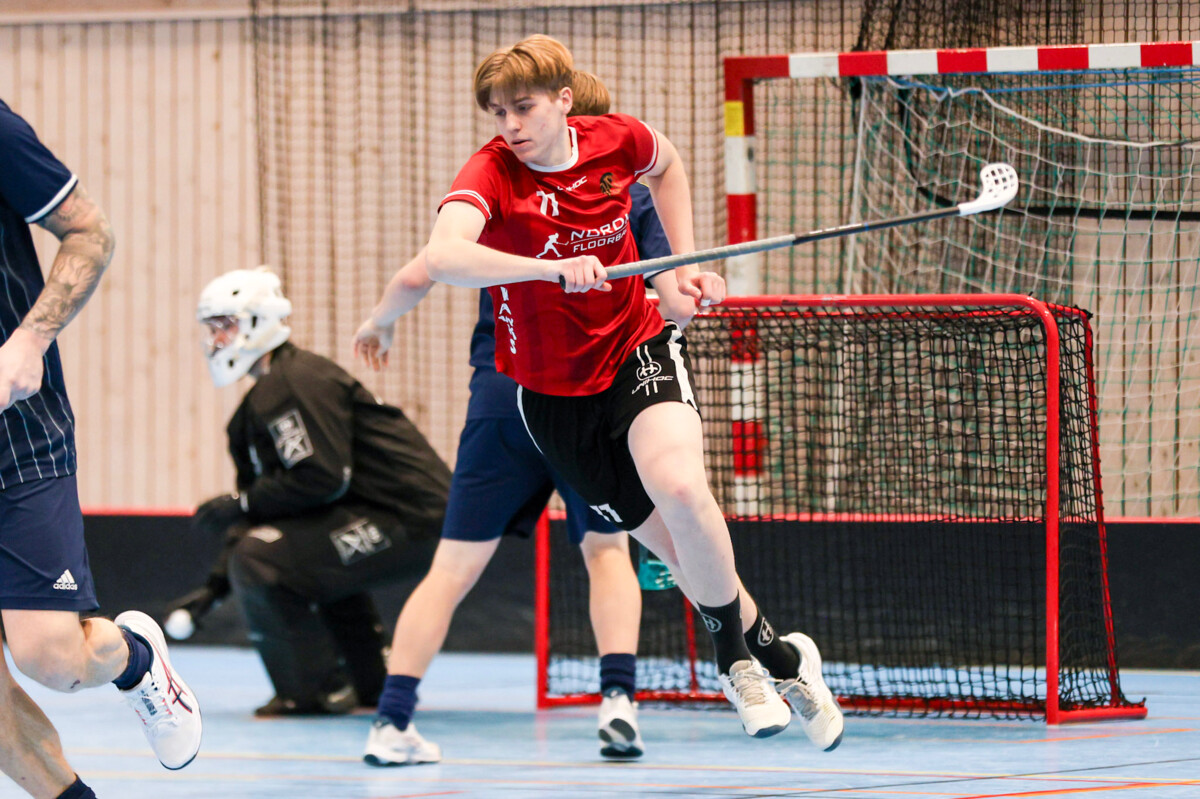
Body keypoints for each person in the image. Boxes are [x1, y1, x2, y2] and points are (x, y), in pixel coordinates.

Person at [421, 34, 845, 748]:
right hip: (552, 397)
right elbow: (441, 255)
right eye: (498, 113)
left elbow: (667, 165)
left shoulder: (615, 141)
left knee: (681, 489)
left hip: (634, 350)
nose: (511, 125)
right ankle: (784, 659)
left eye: (524, 107)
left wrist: (683, 266)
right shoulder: (492, 172)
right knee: (679, 554)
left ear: (563, 101)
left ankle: (733, 663)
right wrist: (546, 269)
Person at [352, 70, 690, 766]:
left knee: (452, 568)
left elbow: (419, 272)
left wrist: (379, 323)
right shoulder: (624, 194)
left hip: (500, 400)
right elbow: (675, 298)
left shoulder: (502, 190)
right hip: (582, 400)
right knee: (607, 551)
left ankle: (391, 721)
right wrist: (686, 299)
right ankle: (618, 700)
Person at [0, 98, 203, 799]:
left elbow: (89, 230)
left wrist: (30, 340)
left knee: (51, 659)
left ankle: (136, 661)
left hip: (19, 441)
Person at [173, 267, 451, 718]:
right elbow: (271, 512)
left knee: (262, 559)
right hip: (391, 516)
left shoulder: (294, 382)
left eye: (226, 325)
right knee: (295, 553)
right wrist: (214, 586)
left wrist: (239, 505)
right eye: (212, 328)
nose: (216, 339)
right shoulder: (254, 411)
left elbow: (321, 477)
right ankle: (368, 683)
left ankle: (310, 692)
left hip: (413, 518)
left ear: (258, 322)